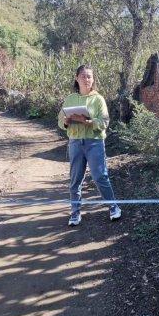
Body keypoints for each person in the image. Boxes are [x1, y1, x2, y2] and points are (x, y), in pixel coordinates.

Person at [58, 65, 121, 226]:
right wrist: (65, 122)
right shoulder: (70, 99)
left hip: (94, 143)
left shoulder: (98, 99)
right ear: (76, 78)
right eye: (83, 76)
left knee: (100, 176)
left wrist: (88, 122)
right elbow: (60, 121)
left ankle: (113, 207)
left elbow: (105, 122)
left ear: (93, 79)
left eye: (89, 77)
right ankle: (75, 213)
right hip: (75, 143)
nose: (87, 79)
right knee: (75, 179)